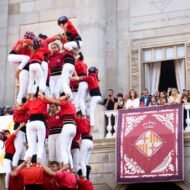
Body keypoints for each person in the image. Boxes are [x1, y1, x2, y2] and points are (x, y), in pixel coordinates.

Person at [42, 92, 76, 170]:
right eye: (51, 107)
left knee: (61, 150)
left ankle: (64, 166)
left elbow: (55, 100)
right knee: (57, 152)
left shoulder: (63, 108)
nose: (52, 108)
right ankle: (69, 167)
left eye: (53, 106)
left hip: (63, 130)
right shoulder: (70, 106)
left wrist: (44, 96)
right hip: (56, 133)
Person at [0, 123, 25, 190]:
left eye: (8, 133)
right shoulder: (8, 140)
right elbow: (15, 133)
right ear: (5, 137)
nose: (9, 134)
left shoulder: (13, 141)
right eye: (7, 134)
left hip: (13, 159)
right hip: (7, 159)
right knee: (8, 172)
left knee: (15, 172)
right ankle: (6, 187)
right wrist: (20, 126)